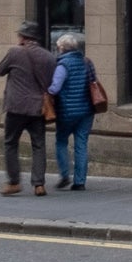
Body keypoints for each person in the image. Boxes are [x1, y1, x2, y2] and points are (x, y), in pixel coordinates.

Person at [0, 20, 55, 197]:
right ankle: (39, 184)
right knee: (38, 145)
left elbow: (0, 70)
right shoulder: (49, 57)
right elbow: (51, 83)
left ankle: (14, 182)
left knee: (11, 143)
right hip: (38, 108)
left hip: (16, 107)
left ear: (22, 37)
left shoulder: (15, 52)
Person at [48, 32, 97, 192]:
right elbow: (93, 82)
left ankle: (64, 174)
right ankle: (80, 182)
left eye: (58, 48)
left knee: (61, 141)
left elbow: (54, 88)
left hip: (67, 112)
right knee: (81, 144)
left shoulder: (62, 65)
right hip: (87, 111)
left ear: (62, 48)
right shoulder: (87, 62)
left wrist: (45, 91)